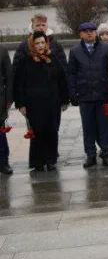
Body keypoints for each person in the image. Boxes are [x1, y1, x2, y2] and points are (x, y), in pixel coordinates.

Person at [14, 32, 69, 172]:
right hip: (34, 104)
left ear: (46, 43)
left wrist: (64, 99)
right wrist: (20, 104)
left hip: (53, 103)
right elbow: (18, 84)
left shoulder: (52, 58)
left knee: (52, 130)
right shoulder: (25, 62)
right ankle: (38, 161)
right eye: (37, 43)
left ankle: (51, 160)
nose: (40, 46)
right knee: (38, 132)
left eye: (42, 43)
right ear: (32, 44)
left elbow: (62, 79)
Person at [67, 22, 108, 168]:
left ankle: (106, 153)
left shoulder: (107, 48)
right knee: (88, 127)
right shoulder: (75, 51)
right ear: (80, 34)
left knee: (105, 126)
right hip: (85, 95)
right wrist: (72, 92)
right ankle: (90, 155)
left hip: (103, 94)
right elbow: (72, 74)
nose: (89, 33)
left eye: (92, 31)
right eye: (86, 31)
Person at [0, 40, 12, 175]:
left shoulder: (2, 51)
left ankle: (3, 162)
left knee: (1, 134)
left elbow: (9, 76)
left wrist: (9, 99)